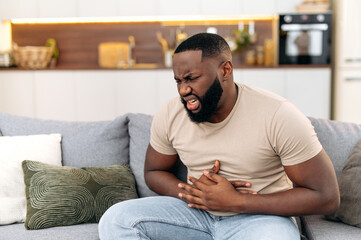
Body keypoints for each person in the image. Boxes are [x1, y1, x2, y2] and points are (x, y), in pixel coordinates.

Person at [99, 33, 340, 240]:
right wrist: (197, 194)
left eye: (192, 78)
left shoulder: (278, 114)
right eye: (178, 81)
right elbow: (153, 172)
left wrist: (236, 202)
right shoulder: (170, 113)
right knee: (116, 219)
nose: (184, 90)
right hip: (193, 212)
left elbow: (326, 196)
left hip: (260, 219)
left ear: (225, 70)